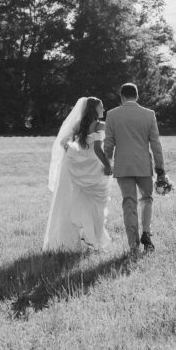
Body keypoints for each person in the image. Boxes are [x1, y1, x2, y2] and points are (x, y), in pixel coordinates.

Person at [103, 83, 167, 255]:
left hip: (123, 167)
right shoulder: (149, 114)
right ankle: (146, 232)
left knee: (129, 203)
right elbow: (156, 144)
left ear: (121, 96)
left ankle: (133, 244)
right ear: (137, 96)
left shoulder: (112, 115)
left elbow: (108, 144)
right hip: (144, 166)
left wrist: (107, 163)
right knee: (146, 199)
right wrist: (160, 169)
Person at [43, 97, 113, 251]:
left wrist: (73, 149)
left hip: (81, 166)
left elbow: (64, 141)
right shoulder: (100, 125)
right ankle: (93, 237)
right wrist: (108, 165)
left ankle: (86, 235)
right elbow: (97, 148)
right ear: (94, 109)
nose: (104, 110)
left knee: (80, 200)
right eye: (101, 107)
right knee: (96, 205)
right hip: (94, 167)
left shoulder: (79, 124)